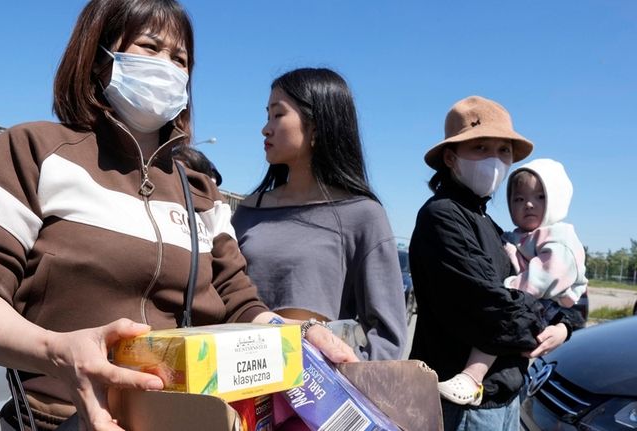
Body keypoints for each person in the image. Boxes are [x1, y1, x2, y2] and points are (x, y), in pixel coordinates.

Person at [0, 2, 356, 430]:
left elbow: (238, 301)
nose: (168, 67)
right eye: (150, 48)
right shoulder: (33, 152)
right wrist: (57, 351)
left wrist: (295, 336)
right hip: (55, 420)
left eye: (180, 59)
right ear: (99, 60)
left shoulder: (202, 194)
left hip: (183, 420)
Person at [409, 95, 584, 430]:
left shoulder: (491, 224)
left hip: (505, 395)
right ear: (451, 156)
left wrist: (563, 327)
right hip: (464, 406)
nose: (495, 159)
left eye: (504, 150)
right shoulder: (443, 215)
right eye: (480, 148)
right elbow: (493, 309)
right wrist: (540, 317)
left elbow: (563, 295)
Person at [231, 68, 408, 361]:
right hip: (239, 384)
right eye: (267, 115)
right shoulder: (249, 210)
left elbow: (388, 337)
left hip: (317, 396)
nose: (266, 128)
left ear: (315, 126)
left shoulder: (363, 215)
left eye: (278, 115)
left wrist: (345, 384)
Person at [437, 158, 588, 406]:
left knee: (500, 324)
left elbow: (548, 275)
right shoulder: (519, 235)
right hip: (532, 302)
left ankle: (472, 378)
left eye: (540, 197)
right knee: (503, 320)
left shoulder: (560, 236)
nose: (528, 204)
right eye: (518, 199)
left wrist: (510, 287)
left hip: (549, 303)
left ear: (556, 200)